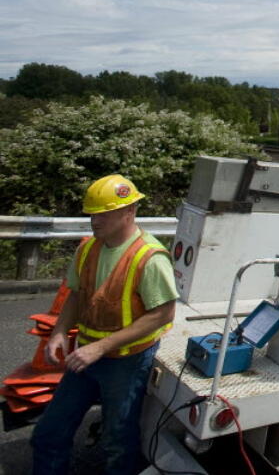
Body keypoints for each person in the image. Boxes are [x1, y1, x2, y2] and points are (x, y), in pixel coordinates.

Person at [31, 174, 177, 475]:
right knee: (48, 433)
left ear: (129, 212)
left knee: (118, 442)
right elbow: (76, 294)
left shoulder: (149, 257)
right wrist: (59, 331)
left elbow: (163, 314)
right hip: (86, 354)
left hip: (126, 361)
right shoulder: (88, 248)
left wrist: (101, 347)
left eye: (103, 214)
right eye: (92, 215)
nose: (95, 221)